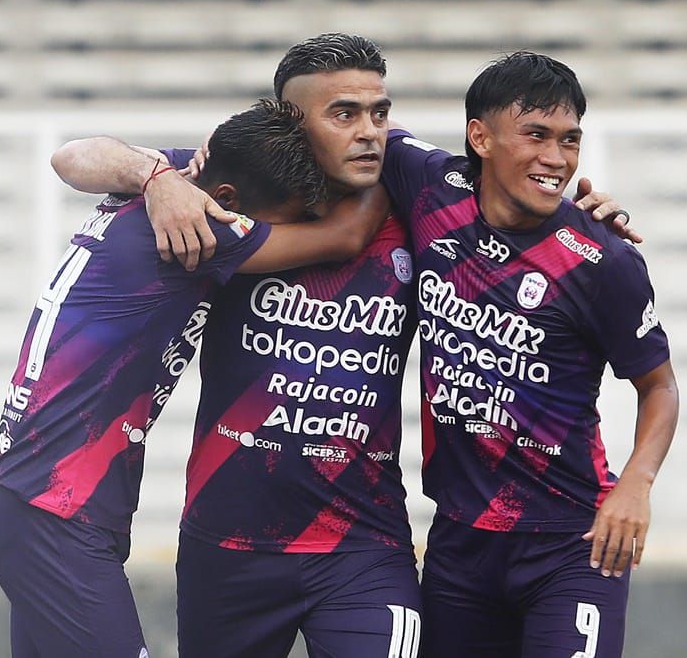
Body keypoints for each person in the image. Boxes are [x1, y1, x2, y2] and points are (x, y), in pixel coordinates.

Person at [52, 34, 638, 658]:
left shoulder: (421, 204)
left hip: (364, 545)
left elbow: (510, 189)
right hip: (227, 544)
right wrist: (155, 176)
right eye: (343, 114)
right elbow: (72, 158)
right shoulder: (232, 187)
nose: (369, 131)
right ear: (288, 123)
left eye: (379, 112)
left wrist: (579, 215)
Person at [0, 99, 390, 658]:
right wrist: (394, 153)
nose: (285, 231)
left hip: (38, 501)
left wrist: (154, 175)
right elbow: (347, 236)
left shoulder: (174, 184)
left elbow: (74, 155)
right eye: (285, 216)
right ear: (227, 202)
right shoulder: (206, 228)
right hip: (54, 512)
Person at [380, 51, 679, 658]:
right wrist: (169, 174)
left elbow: (660, 386)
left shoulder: (605, 261)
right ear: (480, 137)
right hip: (458, 541)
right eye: (536, 135)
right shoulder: (430, 189)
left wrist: (636, 485)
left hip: (574, 541)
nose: (557, 159)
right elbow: (343, 127)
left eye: (570, 141)